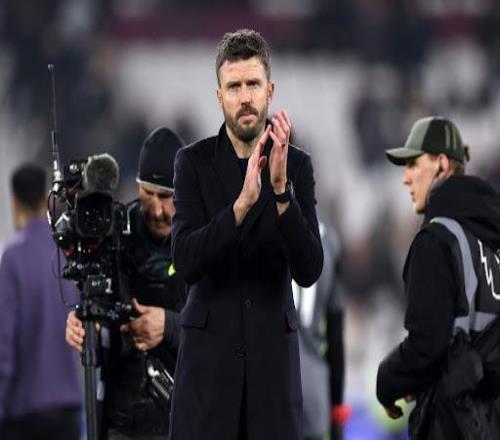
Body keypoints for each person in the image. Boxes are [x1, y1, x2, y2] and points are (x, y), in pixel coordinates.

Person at [169, 29, 323, 440]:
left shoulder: (297, 166)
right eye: (234, 87)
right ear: (219, 96)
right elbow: (185, 260)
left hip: (272, 383)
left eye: (253, 84)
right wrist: (239, 208)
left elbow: (309, 269)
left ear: (269, 90)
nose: (245, 97)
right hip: (207, 384)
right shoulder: (192, 163)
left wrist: (281, 193)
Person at [376, 116, 500, 439]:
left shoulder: (437, 240)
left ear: (442, 164)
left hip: (456, 424)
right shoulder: (492, 243)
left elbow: (427, 344)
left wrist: (388, 379)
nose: (406, 178)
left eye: (413, 164)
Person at [65, 127, 187, 439]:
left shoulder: (204, 238)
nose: (157, 210)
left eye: (166, 197)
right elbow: (100, 310)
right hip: (123, 421)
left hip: (187, 419)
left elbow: (226, 330)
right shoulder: (116, 234)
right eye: (148, 194)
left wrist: (168, 325)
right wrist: (84, 326)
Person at [0, 164, 82, 440]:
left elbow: (5, 345)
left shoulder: (13, 259)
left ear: (15, 202)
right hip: (68, 409)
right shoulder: (66, 253)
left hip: (25, 413)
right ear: (44, 197)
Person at [293, 217, 351, 440]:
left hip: (270, 392)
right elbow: (335, 335)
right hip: (315, 393)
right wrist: (337, 409)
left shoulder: (262, 225)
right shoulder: (329, 240)